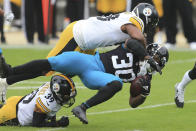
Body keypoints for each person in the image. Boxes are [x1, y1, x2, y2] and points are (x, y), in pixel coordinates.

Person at [0, 40, 169, 124]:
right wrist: (146, 57)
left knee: (116, 83)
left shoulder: (145, 78)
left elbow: (133, 103)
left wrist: (144, 94)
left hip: (97, 75)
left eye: (159, 62)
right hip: (90, 61)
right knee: (51, 64)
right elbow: (129, 42)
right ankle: (11, 72)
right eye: (156, 59)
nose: (156, 64)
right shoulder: (139, 48)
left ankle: (82, 107)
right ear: (150, 52)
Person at [46, 3, 159, 59]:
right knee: (49, 66)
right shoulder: (134, 21)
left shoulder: (128, 16)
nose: (149, 29)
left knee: (84, 70)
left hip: (88, 42)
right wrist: (145, 55)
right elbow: (138, 37)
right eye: (150, 25)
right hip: (77, 35)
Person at [0, 74, 77, 127]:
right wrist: (58, 123)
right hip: (13, 113)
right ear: (56, 90)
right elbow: (37, 123)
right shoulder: (46, 102)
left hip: (18, 101)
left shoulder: (50, 87)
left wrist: (53, 120)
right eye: (66, 96)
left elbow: (52, 109)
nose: (68, 99)